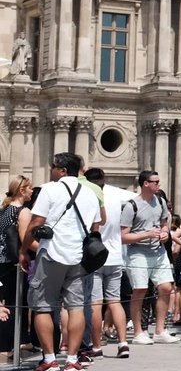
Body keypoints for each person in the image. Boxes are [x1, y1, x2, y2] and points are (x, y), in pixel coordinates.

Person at [21, 153, 102, 371]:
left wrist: (23, 249)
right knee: (76, 307)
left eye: (54, 167)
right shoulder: (91, 193)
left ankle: (49, 359)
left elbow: (35, 223)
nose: (51, 170)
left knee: (43, 307)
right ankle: (73, 359)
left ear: (63, 170)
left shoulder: (50, 189)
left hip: (52, 253)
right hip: (78, 256)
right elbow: (96, 227)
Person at [120, 170, 178, 345]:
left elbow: (165, 225)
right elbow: (123, 236)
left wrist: (165, 234)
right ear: (146, 183)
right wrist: (146, 235)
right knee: (140, 290)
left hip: (158, 251)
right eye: (156, 182)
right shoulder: (131, 206)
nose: (159, 185)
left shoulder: (160, 202)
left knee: (166, 287)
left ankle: (160, 330)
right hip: (138, 252)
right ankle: (139, 332)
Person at [82, 169, 130, 359]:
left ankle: (96, 345)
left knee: (95, 302)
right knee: (115, 301)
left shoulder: (89, 199)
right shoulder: (115, 200)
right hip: (115, 255)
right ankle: (123, 343)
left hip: (95, 256)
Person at [0, 176, 32, 362]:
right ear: (22, 190)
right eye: (29, 188)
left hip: (2, 261)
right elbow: (24, 240)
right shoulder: (23, 211)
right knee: (15, 304)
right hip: (14, 264)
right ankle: (8, 346)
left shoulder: (4, 209)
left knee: (4, 303)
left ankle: (8, 344)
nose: (31, 191)